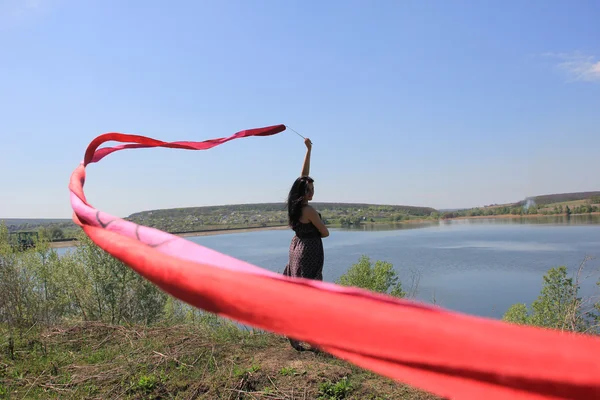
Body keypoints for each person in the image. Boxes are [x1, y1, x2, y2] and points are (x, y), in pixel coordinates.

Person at [283, 137, 329, 352]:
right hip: (310, 250)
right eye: (310, 189)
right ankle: (312, 338)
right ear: (305, 192)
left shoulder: (294, 205)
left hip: (296, 248)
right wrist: (323, 226)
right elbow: (325, 232)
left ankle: (295, 332)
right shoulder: (309, 210)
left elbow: (303, 177)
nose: (312, 191)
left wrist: (308, 150)